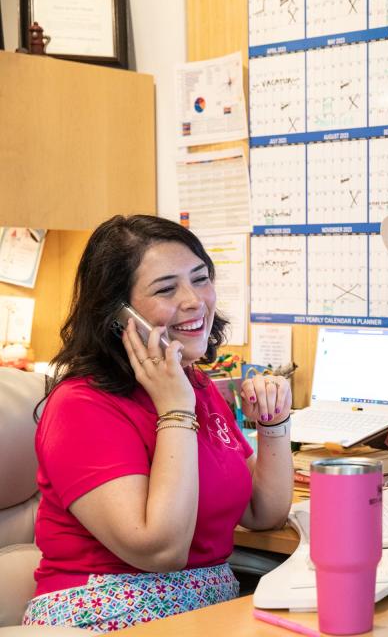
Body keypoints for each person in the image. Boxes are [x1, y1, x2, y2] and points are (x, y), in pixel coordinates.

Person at [23, 215, 293, 632]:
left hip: (206, 610)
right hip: (102, 611)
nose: (194, 301)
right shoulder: (81, 406)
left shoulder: (191, 383)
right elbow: (160, 550)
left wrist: (275, 422)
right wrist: (175, 412)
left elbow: (263, 511)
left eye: (200, 279)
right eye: (167, 289)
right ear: (118, 315)